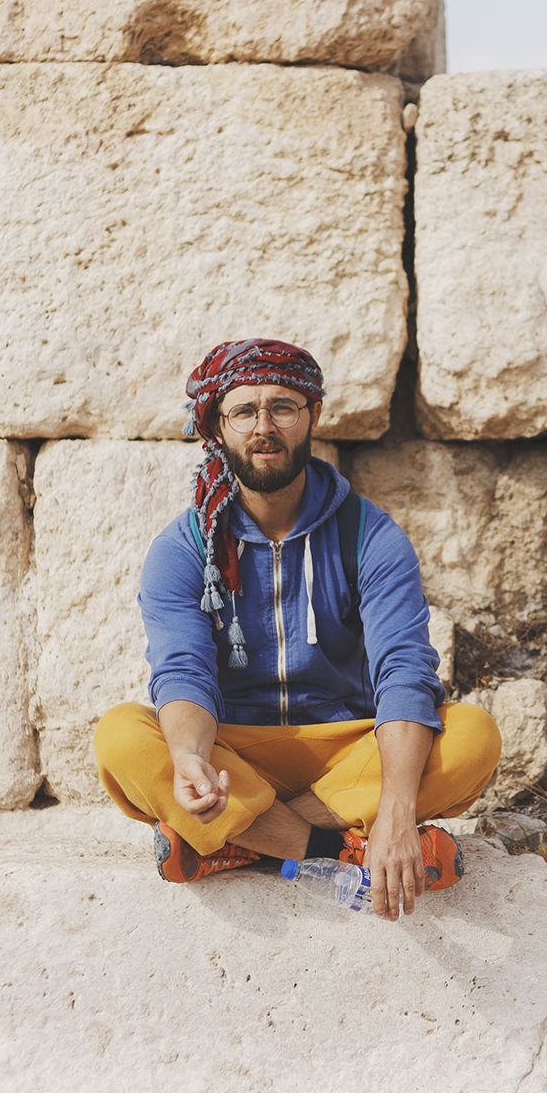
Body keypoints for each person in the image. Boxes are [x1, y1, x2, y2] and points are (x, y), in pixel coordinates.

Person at [92, 338, 502, 921]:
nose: (264, 426)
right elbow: (183, 672)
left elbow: (403, 671)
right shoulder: (183, 547)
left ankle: (231, 842)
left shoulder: (371, 536)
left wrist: (395, 803)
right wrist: (188, 757)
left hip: (349, 750)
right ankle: (340, 851)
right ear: (216, 427)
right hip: (235, 755)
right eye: (243, 411)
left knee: (472, 736)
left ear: (313, 416)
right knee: (122, 737)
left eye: (283, 406)